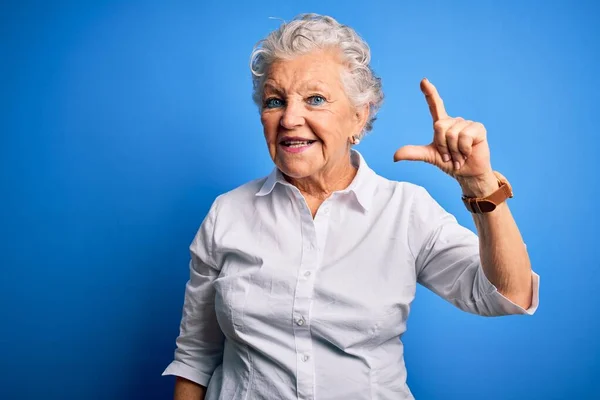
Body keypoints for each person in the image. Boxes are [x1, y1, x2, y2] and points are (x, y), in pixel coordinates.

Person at [162, 13, 539, 400]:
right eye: (275, 101)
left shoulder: (405, 210)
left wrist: (480, 185)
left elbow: (508, 294)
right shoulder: (228, 213)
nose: (290, 118)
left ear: (359, 115)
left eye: (316, 99)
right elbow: (195, 357)